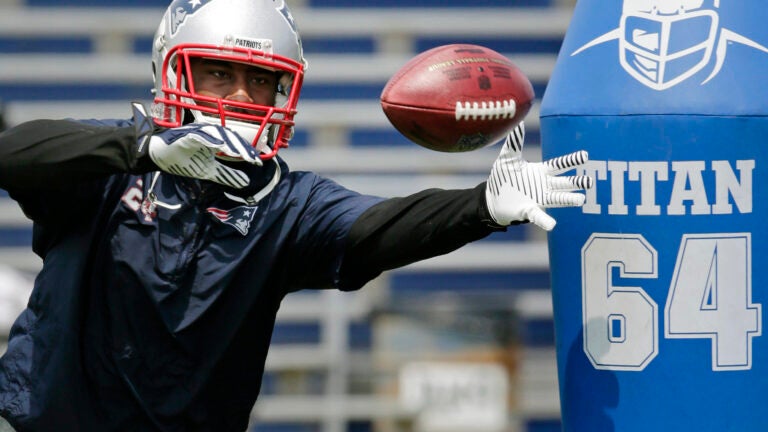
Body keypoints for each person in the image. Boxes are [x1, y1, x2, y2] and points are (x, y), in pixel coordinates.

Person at [0, 0, 592, 431]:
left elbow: (376, 228)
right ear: (171, 69)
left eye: (261, 80)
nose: (238, 96)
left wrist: (481, 204)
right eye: (218, 72)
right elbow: (13, 154)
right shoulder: (117, 157)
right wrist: (144, 148)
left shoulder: (284, 202)